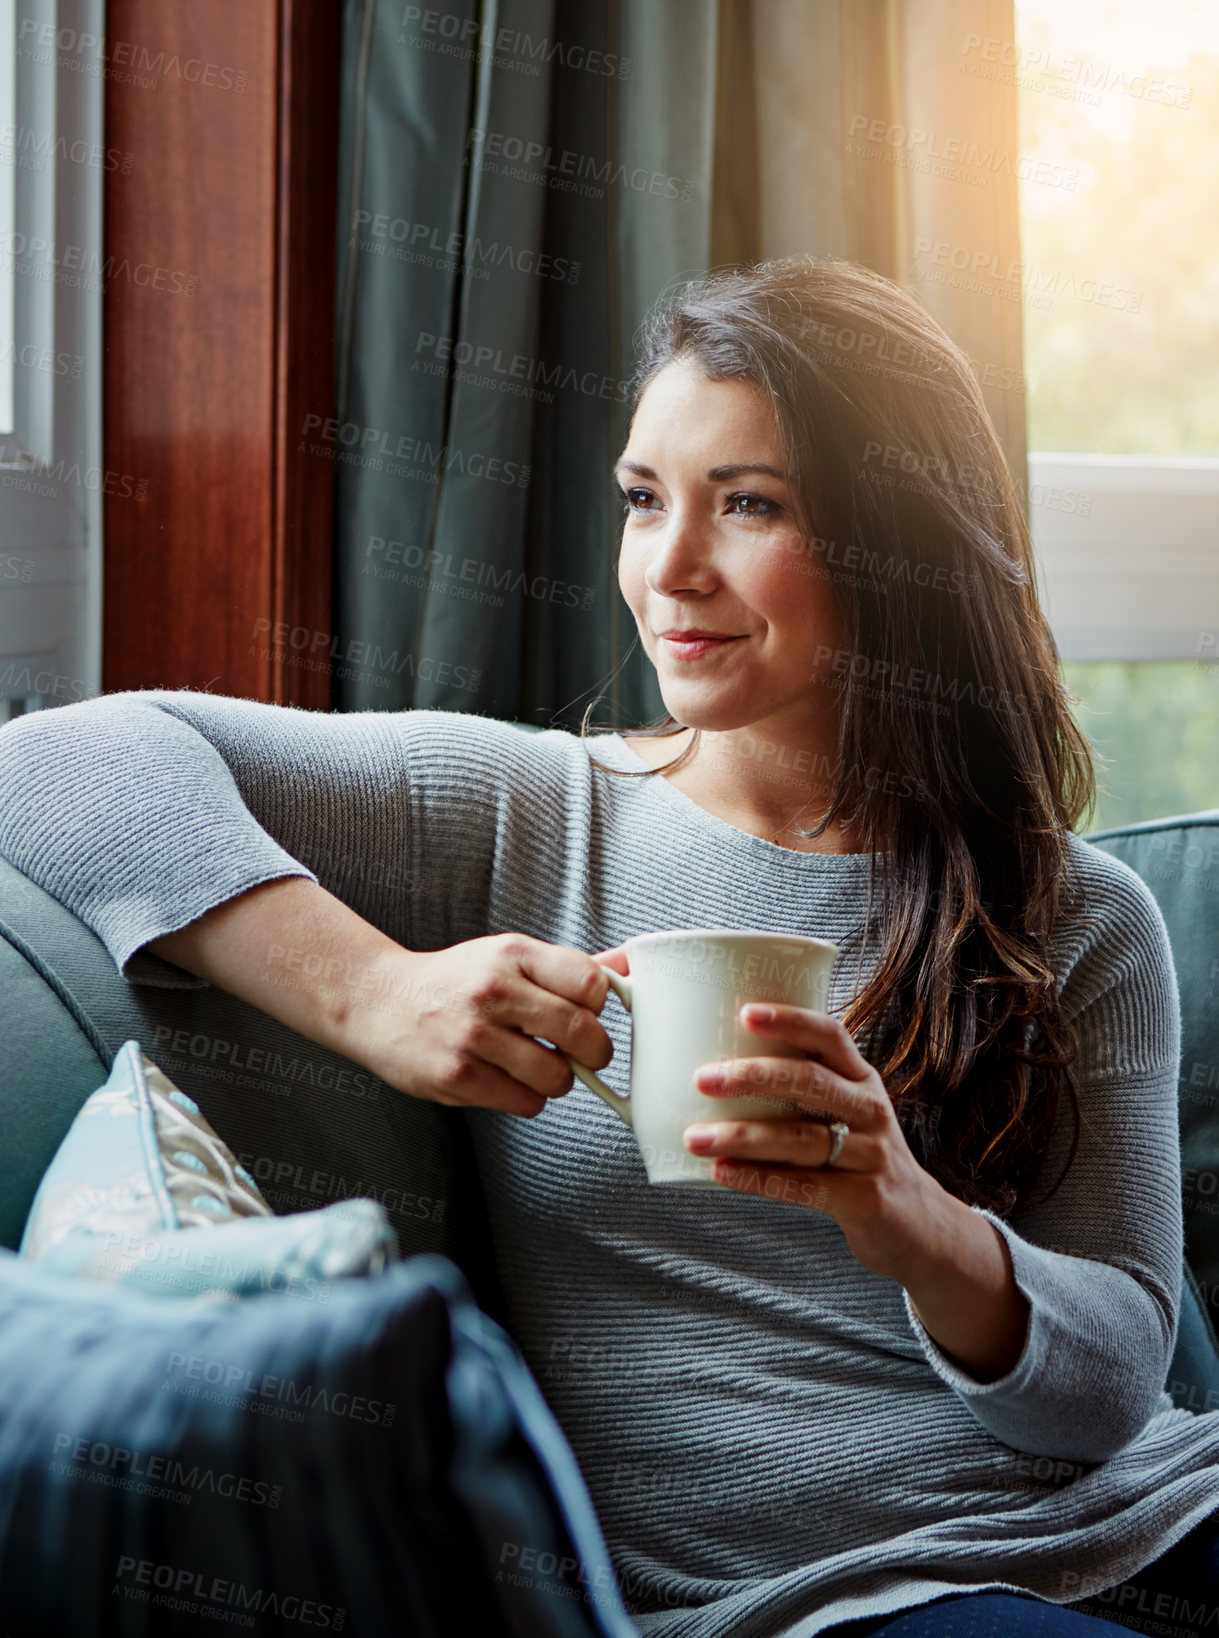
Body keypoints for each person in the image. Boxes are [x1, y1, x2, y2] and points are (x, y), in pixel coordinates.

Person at [2, 257, 1218, 1637]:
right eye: (644, 500)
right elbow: (55, 760)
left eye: (747, 503)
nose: (669, 568)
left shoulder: (1076, 913)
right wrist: (379, 992)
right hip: (825, 1603)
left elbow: (1118, 1381)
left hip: (1156, 1520)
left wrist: (905, 1213)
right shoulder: (531, 812)